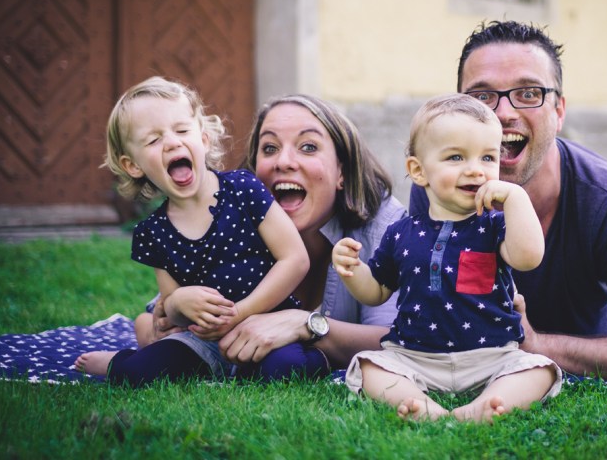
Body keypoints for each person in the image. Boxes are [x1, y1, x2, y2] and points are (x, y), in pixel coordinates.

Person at [411, 21, 607, 380]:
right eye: (482, 97)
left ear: (559, 112)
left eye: (528, 93)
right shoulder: (438, 187)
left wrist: (535, 345)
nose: (503, 114)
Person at [134, 94, 408, 376]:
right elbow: (153, 319)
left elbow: (401, 342)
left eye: (308, 147)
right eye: (270, 148)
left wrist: (304, 325)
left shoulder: (384, 226)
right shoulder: (230, 216)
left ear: (342, 170)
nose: (284, 162)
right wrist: (160, 328)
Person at [74, 77, 320, 386]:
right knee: (136, 373)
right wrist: (179, 303)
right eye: (153, 140)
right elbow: (171, 308)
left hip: (266, 323)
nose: (172, 143)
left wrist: (241, 312)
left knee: (288, 370)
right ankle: (119, 361)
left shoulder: (244, 189)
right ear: (133, 165)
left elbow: (295, 260)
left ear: (203, 140)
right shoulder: (154, 232)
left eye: (181, 131)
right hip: (202, 341)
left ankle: (308, 358)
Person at [333, 94, 562, 423]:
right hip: (414, 356)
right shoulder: (401, 233)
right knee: (369, 367)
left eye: (488, 157)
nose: (476, 169)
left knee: (538, 370)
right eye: (456, 157)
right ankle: (421, 404)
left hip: (493, 355)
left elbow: (529, 258)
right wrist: (353, 270)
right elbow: (376, 291)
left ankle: (485, 404)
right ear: (418, 171)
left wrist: (516, 198)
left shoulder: (495, 226)